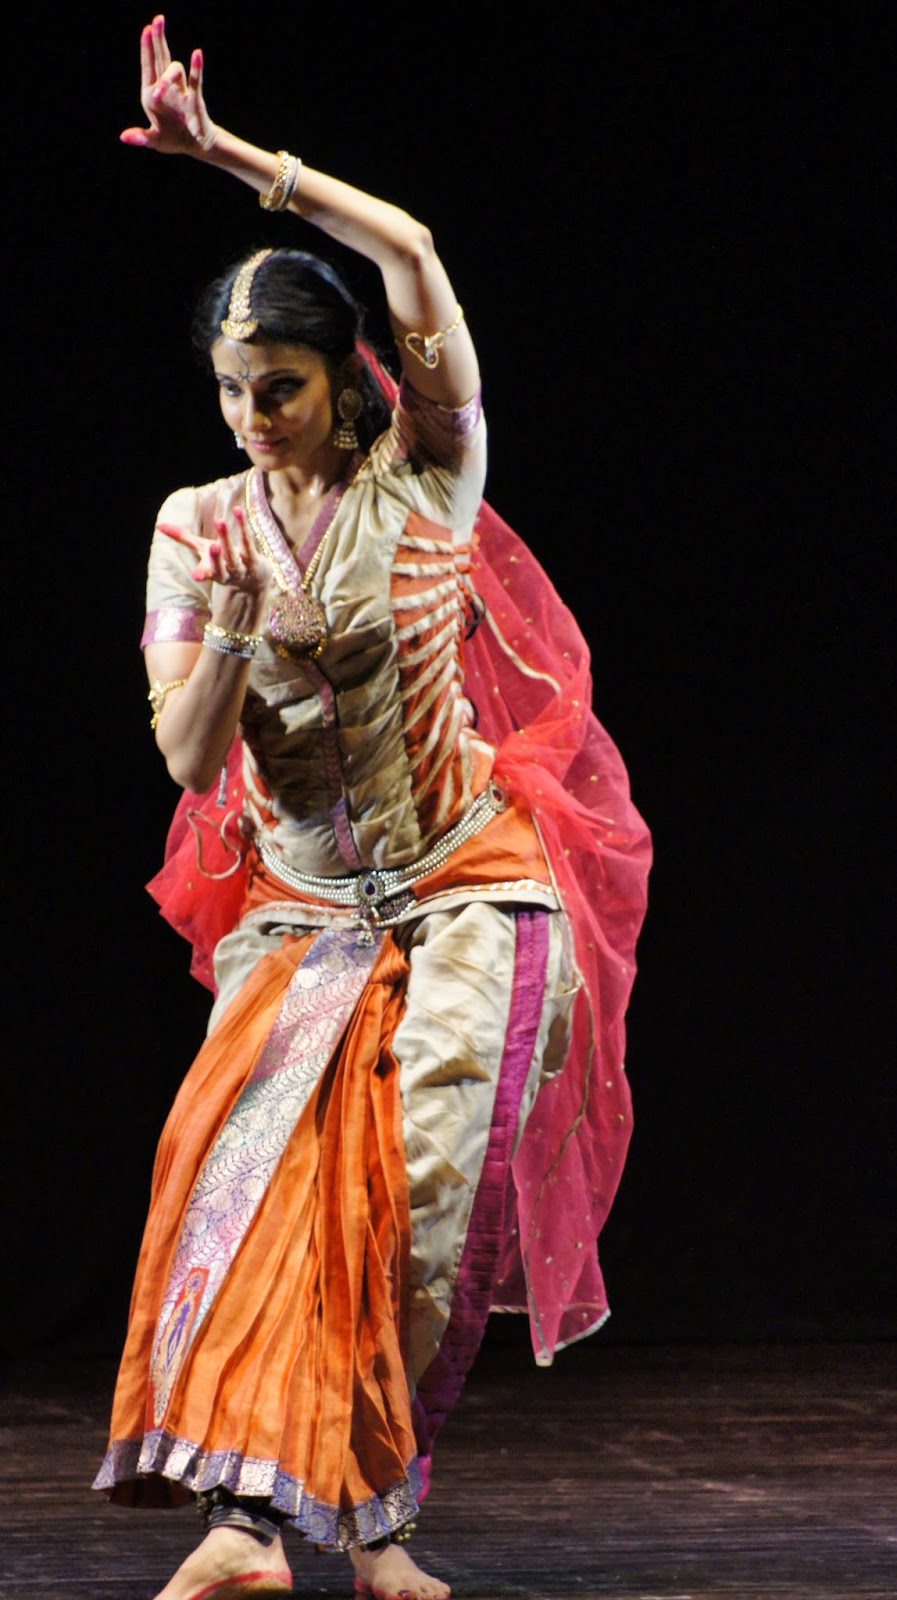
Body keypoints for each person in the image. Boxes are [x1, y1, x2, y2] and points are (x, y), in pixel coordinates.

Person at [93, 16, 652, 1600]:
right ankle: (249, 1529)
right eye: (228, 391)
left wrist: (228, 159)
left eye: (276, 387)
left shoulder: (426, 475)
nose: (249, 417)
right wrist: (236, 635)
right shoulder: (197, 528)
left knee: (422, 1203)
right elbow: (186, 760)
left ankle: (376, 1523)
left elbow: (408, 253)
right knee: (250, 1196)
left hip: (469, 880)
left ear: (346, 378)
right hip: (297, 907)